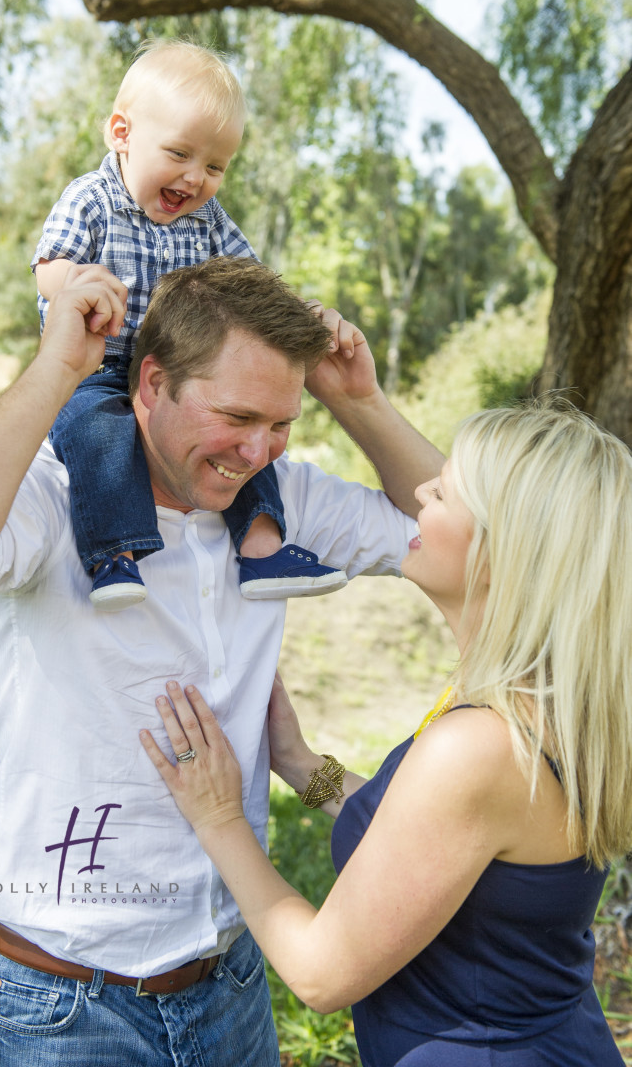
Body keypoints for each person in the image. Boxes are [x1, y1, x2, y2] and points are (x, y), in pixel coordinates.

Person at [0, 257, 443, 1067]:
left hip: (231, 984)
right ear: (150, 383)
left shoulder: (285, 504)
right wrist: (55, 369)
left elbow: (469, 543)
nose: (256, 450)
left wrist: (361, 402)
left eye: (281, 424)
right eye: (237, 415)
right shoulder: (52, 496)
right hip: (64, 1007)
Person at [142, 398, 632, 1067]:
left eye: (446, 492)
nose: (420, 492)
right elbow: (423, 837)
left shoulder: (481, 747)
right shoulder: (538, 705)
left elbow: (321, 973)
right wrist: (300, 764)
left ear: (501, 552)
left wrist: (220, 815)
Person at [33, 37, 346, 610]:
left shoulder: (209, 222)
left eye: (215, 166)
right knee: (95, 431)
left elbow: (255, 285)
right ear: (121, 134)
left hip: (182, 373)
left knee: (247, 445)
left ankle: (261, 547)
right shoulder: (93, 200)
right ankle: (113, 555)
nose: (195, 177)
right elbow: (49, 266)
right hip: (100, 367)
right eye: (179, 154)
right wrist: (76, 286)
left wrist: (304, 317)